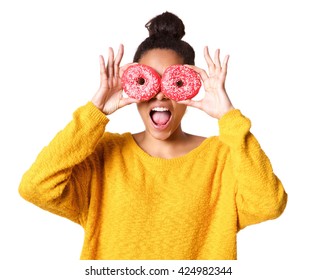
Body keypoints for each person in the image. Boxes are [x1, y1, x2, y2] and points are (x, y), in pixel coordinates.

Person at [19, 11, 287, 260]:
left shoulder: (223, 157)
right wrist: (94, 112)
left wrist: (229, 119)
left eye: (175, 82)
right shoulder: (103, 154)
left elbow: (269, 204)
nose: (160, 94)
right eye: (148, 81)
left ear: (191, 88)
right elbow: (36, 187)